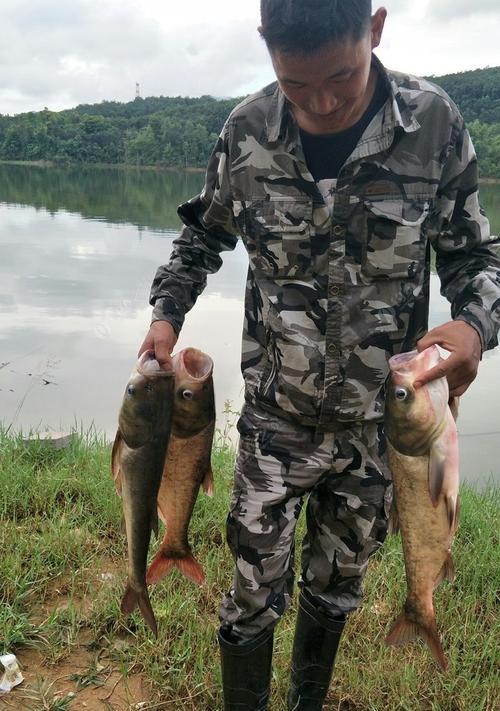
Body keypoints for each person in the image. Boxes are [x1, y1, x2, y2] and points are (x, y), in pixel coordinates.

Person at [139, 1, 500, 708]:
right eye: (298, 84)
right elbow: (198, 239)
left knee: (337, 589)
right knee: (250, 592)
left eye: (342, 75)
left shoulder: (433, 127)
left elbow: (476, 258)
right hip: (277, 422)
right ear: (266, 46)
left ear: (376, 30)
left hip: (382, 432)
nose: (323, 101)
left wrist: (473, 327)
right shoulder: (246, 132)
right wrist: (165, 316)